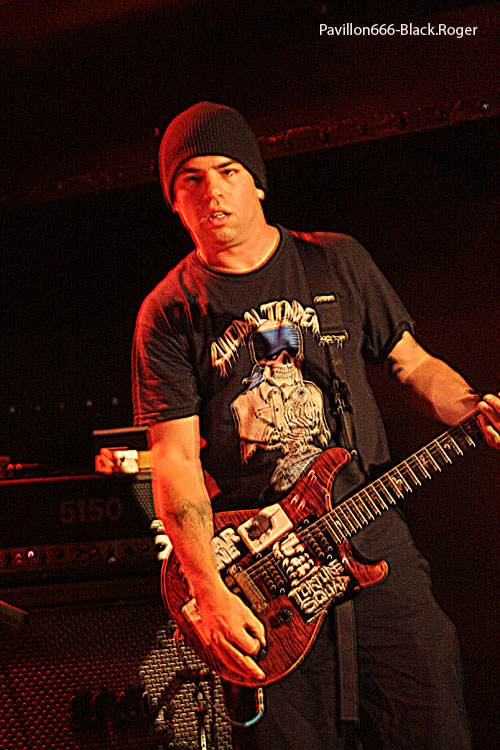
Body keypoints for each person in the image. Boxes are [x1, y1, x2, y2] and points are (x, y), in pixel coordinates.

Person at [132, 101, 500, 750]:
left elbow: (413, 365)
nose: (212, 190)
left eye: (227, 171)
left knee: (431, 715)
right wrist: (207, 592)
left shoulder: (334, 262)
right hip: (263, 570)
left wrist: (472, 406)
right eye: (191, 178)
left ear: (257, 182)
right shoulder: (169, 312)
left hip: (367, 526)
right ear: (174, 201)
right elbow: (175, 460)